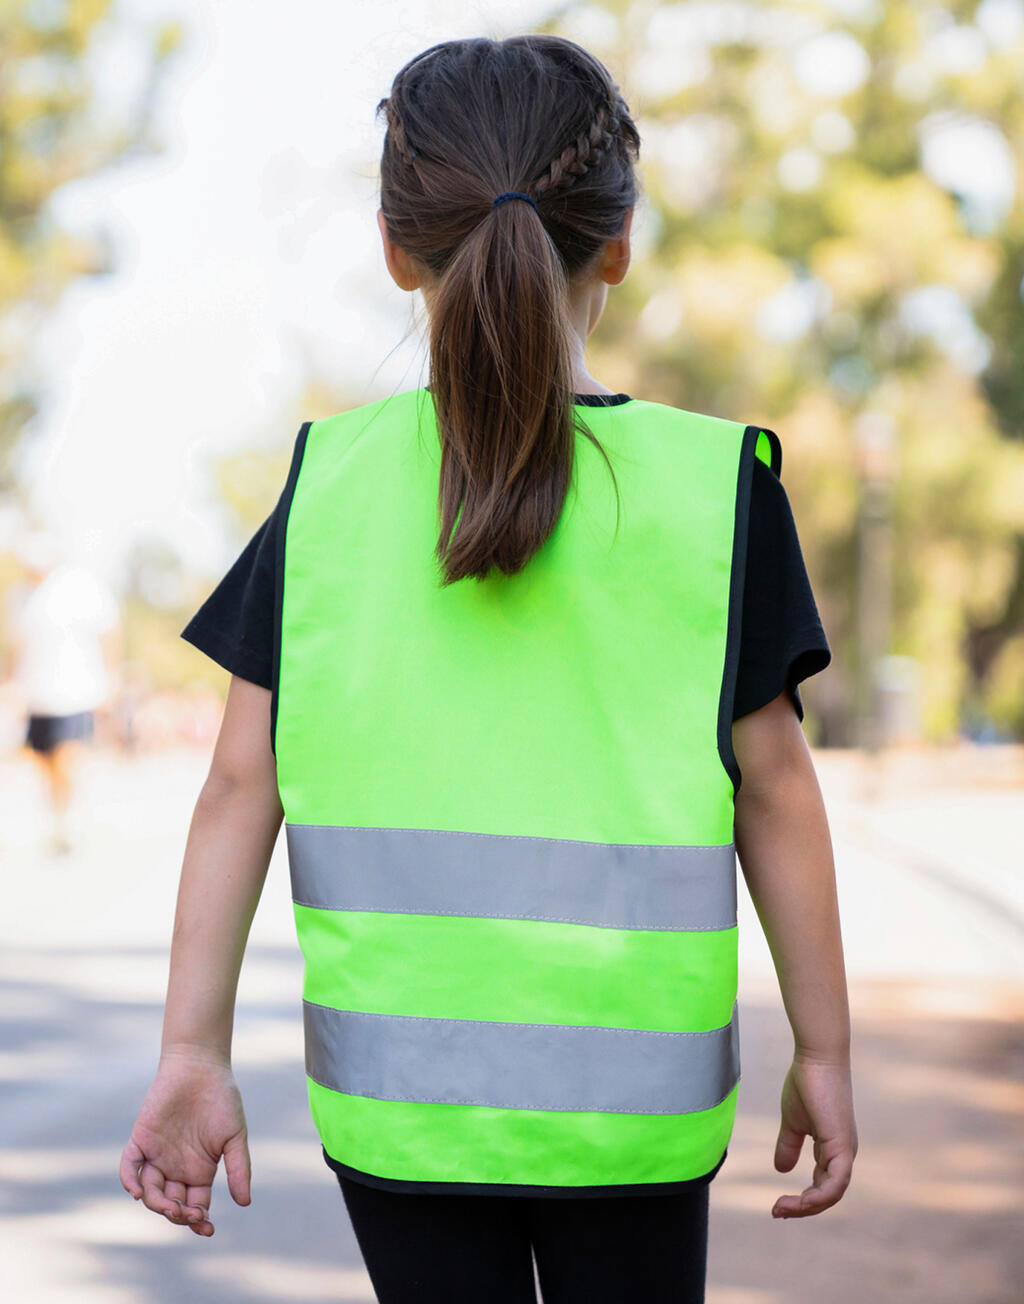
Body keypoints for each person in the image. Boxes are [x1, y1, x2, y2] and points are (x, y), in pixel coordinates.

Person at [119, 34, 857, 1303]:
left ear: (396, 248)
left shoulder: (328, 487)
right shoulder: (713, 489)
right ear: (617, 242)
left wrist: (193, 1047)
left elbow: (241, 785)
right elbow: (778, 790)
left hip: (402, 1104)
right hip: (635, 1107)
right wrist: (826, 1049)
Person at [6, 530, 122, 855]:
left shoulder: (78, 586)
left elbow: (109, 630)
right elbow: (17, 645)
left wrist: (112, 677)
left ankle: (69, 821)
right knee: (44, 761)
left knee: (66, 756)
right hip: (36, 692)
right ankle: (58, 817)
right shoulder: (19, 596)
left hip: (76, 690)